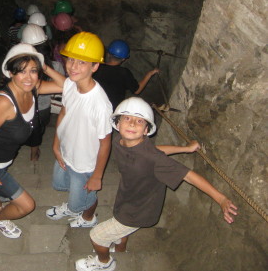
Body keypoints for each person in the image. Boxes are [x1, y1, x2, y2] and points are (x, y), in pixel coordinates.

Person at [75, 97, 238, 271]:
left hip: (140, 210)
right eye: (127, 118)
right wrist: (185, 148)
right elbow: (157, 150)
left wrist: (221, 199)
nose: (131, 124)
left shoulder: (153, 159)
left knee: (97, 236)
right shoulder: (120, 142)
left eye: (139, 121)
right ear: (117, 123)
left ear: (146, 130)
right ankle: (120, 249)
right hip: (128, 197)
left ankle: (104, 263)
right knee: (118, 224)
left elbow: (188, 175)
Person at [0, 43, 66, 239]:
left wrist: (43, 65)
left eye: (33, 71)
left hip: (2, 160)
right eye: (21, 72)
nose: (28, 77)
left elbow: (66, 86)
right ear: (11, 73)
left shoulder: (32, 88)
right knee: (27, 205)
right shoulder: (4, 102)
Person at [46, 32, 113, 229]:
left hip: (85, 165)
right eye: (71, 59)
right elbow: (63, 113)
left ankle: (88, 217)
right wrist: (56, 144)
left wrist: (97, 176)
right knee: (67, 186)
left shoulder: (100, 105)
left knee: (87, 195)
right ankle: (74, 205)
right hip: (67, 153)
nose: (73, 66)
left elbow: (105, 142)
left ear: (95, 66)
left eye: (82, 62)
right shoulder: (71, 85)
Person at [93, 39, 159, 110]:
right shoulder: (124, 73)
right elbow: (137, 90)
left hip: (92, 104)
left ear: (108, 53)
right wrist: (149, 74)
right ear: (123, 59)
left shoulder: (96, 67)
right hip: (111, 110)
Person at [21, 24, 52, 161]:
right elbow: (64, 85)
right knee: (39, 129)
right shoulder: (54, 66)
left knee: (27, 127)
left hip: (24, 105)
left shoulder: (19, 67)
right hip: (44, 108)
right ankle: (34, 154)